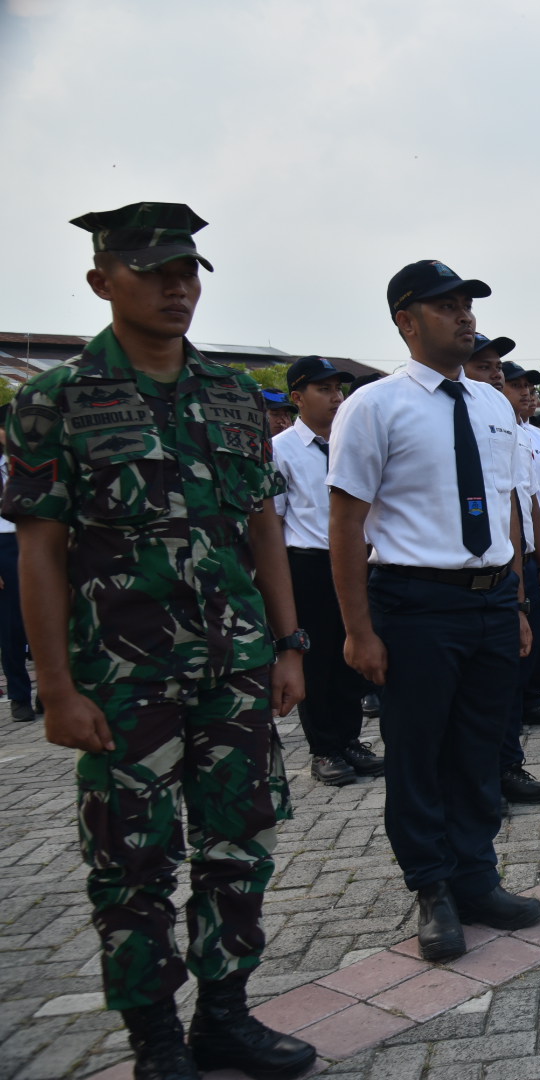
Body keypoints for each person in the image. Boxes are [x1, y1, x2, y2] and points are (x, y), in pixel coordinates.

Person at [4, 202, 314, 1078]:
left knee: (238, 845)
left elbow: (262, 527)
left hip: (236, 667)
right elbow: (40, 552)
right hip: (122, 678)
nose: (178, 288)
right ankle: (156, 1040)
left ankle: (225, 1016)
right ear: (103, 282)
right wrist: (57, 688)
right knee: (131, 866)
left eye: (189, 273)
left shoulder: (230, 395)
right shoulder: (54, 401)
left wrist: (288, 644)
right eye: (154, 272)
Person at [329, 261, 540, 963]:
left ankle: (477, 876)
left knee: (481, 748)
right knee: (419, 754)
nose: (464, 317)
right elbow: (346, 523)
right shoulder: (375, 405)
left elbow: (506, 508)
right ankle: (433, 889)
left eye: (467, 305)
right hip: (415, 603)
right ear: (405, 320)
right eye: (446, 306)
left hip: (486, 600)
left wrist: (512, 602)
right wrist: (359, 630)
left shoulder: (491, 404)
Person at [273, 355, 382, 787]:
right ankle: (325, 748)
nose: (336, 398)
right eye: (324, 390)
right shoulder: (281, 450)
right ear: (297, 397)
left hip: (357, 558)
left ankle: (351, 739)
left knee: (352, 655)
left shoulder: (350, 442)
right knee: (317, 661)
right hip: (310, 565)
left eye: (338, 389)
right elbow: (275, 524)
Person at [483, 354, 540, 808]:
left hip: (519, 559)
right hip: (460, 571)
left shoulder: (530, 437)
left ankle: (507, 762)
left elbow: (535, 501)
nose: (523, 392)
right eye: (515, 384)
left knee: (522, 653)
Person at [0, 408, 34, 722]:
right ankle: (19, 695)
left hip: (39, 539)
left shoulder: (36, 459)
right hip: (4, 544)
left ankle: (53, 693)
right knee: (10, 628)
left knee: (52, 616)